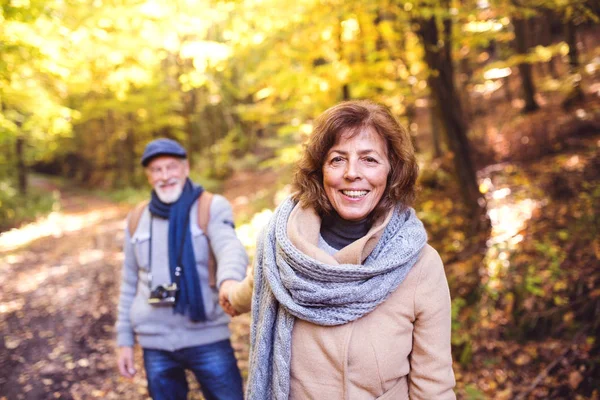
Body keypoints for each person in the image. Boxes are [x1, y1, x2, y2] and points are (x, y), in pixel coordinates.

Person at [221, 100, 456, 399]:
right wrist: (229, 295)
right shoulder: (280, 246)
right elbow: (254, 287)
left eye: (369, 159)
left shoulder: (421, 266)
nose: (352, 173)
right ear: (320, 171)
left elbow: (434, 387)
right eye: (337, 159)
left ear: (392, 170)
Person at [115, 138, 248, 400]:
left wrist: (229, 281)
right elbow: (129, 281)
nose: (165, 176)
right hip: (155, 343)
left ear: (185, 168)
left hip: (206, 336)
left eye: (171, 167)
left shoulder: (210, 206)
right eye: (157, 170)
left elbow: (229, 247)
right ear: (148, 176)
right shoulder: (136, 219)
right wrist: (125, 341)